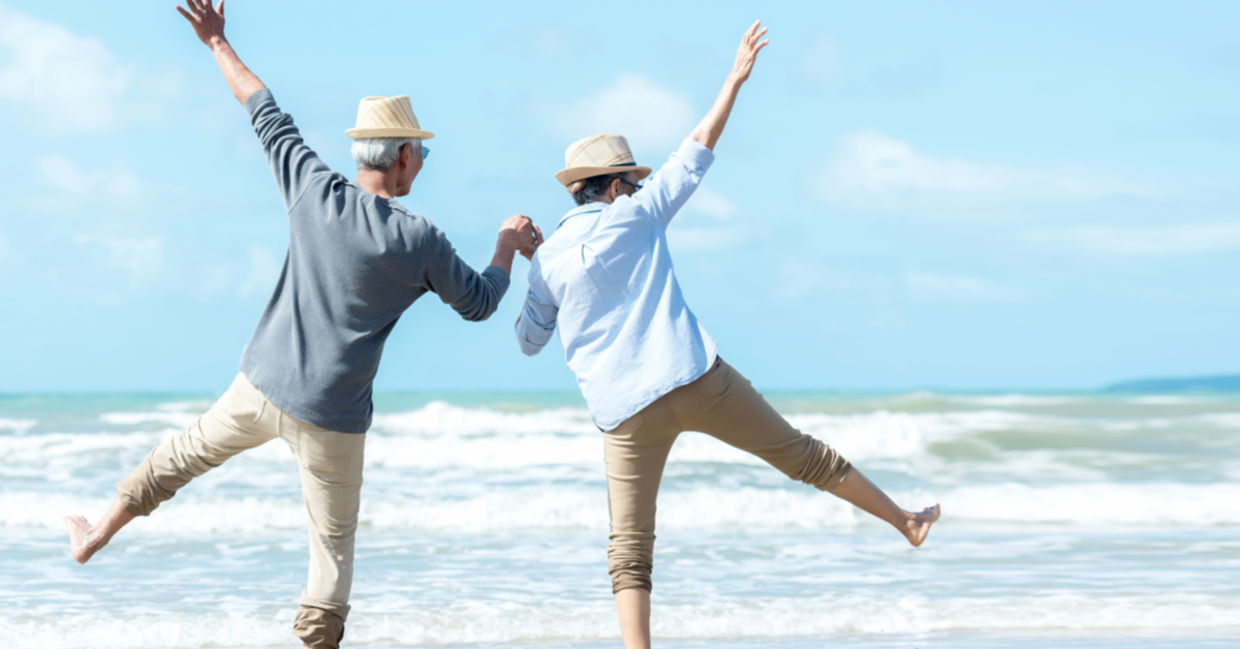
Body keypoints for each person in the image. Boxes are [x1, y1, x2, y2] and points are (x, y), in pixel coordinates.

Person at [62, 2, 540, 648]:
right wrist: (506, 246)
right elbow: (480, 303)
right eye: (421, 152)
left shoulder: (312, 188)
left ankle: (95, 534)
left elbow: (260, 105)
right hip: (333, 414)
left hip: (261, 384)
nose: (423, 162)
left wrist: (215, 41)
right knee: (331, 549)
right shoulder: (418, 238)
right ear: (402, 155)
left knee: (176, 458)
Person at [515, 21, 940, 649]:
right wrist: (734, 79)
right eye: (632, 181)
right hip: (692, 376)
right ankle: (905, 522)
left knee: (630, 546)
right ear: (615, 187)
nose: (638, 189)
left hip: (623, 413)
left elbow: (529, 340)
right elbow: (697, 148)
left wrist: (529, 260)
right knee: (803, 456)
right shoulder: (637, 215)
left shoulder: (549, 260)